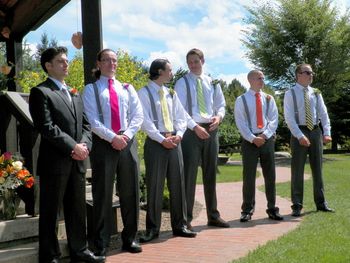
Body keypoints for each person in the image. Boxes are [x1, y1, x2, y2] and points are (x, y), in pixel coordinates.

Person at [29, 47, 104, 263]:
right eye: (60, 61)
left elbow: (87, 125)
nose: (66, 64)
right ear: (48, 66)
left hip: (78, 160)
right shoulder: (40, 92)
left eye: (67, 60)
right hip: (55, 162)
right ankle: (50, 255)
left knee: (77, 209)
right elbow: (46, 126)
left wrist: (85, 146)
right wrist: (73, 146)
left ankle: (79, 251)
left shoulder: (74, 92)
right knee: (51, 211)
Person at [82, 49, 143, 254]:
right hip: (103, 144)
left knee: (130, 191)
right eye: (106, 60)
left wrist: (125, 137)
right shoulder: (91, 89)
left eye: (114, 60)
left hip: (127, 142)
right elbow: (92, 120)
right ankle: (100, 242)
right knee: (103, 193)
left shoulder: (127, 88)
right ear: (98, 63)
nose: (111, 63)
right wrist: (112, 138)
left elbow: (138, 116)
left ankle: (130, 238)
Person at [137, 58, 197, 243]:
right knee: (155, 186)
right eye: (169, 70)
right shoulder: (144, 93)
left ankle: (180, 226)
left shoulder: (171, 93)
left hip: (175, 142)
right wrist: (162, 139)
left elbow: (181, 117)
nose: (172, 73)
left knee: (178, 184)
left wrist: (179, 134)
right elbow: (144, 121)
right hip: (156, 143)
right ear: (159, 71)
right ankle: (152, 229)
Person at [174, 48, 229, 230]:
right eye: (189, 62)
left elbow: (221, 105)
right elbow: (179, 109)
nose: (192, 65)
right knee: (189, 175)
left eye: (196, 61)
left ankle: (213, 215)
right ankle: (186, 218)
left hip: (211, 130)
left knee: (211, 173)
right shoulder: (182, 83)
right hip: (191, 130)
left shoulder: (213, 82)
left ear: (202, 61)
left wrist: (219, 117)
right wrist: (195, 127)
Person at [284, 63, 334, 217]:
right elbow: (289, 118)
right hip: (299, 130)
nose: (311, 75)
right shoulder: (290, 93)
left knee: (318, 169)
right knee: (297, 170)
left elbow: (323, 113)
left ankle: (321, 203)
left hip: (315, 131)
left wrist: (327, 132)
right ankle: (297, 206)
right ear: (299, 74)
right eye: (308, 72)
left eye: (312, 72)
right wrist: (300, 136)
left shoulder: (316, 93)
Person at [234, 70, 283, 222]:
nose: (262, 80)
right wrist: (252, 138)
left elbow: (274, 120)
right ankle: (247, 210)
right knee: (249, 177)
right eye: (259, 78)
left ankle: (272, 209)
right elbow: (240, 122)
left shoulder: (269, 98)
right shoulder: (241, 100)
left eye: (263, 77)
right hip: (249, 142)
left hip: (266, 140)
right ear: (250, 80)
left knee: (270, 175)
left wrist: (264, 135)